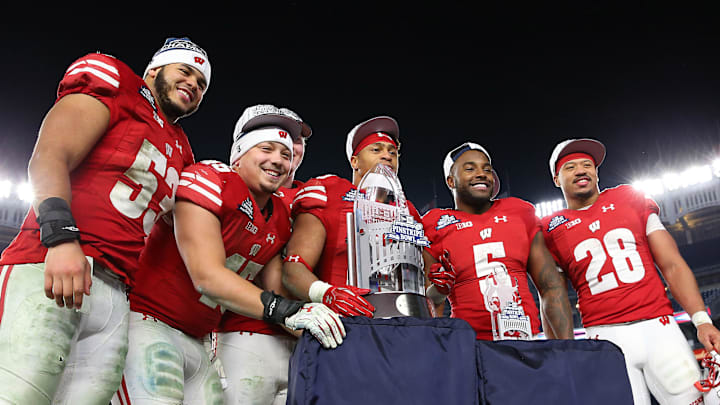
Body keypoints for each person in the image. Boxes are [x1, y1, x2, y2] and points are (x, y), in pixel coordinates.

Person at [0, 37, 210, 404]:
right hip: (53, 262)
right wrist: (61, 239)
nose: (193, 84)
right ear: (154, 70)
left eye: (202, 83)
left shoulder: (183, 149)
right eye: (186, 72)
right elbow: (51, 154)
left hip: (115, 293)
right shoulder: (117, 83)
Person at [115, 106, 343, 404]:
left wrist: (333, 331)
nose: (278, 160)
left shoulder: (277, 215)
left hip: (198, 339)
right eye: (267, 149)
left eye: (286, 155)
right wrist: (289, 310)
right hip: (148, 323)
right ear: (238, 154)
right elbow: (207, 276)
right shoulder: (210, 178)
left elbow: (276, 291)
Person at [541, 138, 720, 404]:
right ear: (556, 178)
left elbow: (671, 263)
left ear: (596, 171)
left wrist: (701, 320)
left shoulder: (629, 198)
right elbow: (551, 295)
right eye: (570, 167)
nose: (581, 170)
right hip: (604, 337)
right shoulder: (549, 228)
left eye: (587, 164)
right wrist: (561, 350)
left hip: (659, 328)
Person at [422, 142, 574, 341]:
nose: (482, 173)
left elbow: (550, 287)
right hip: (469, 344)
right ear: (451, 181)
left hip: (525, 338)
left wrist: (566, 348)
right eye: (470, 168)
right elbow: (430, 302)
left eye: (487, 169)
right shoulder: (436, 223)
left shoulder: (519, 212)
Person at [282, 116, 422, 317]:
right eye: (376, 149)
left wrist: (437, 291)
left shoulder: (408, 209)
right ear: (354, 161)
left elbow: (422, 283)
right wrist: (327, 294)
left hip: (402, 324)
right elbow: (294, 268)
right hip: (343, 324)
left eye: (393, 152)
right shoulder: (329, 189)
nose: (387, 156)